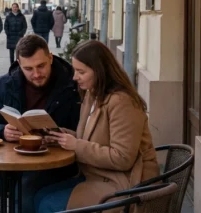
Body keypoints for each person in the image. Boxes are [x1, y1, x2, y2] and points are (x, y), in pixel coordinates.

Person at [0, 35, 80, 213]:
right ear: (19, 64)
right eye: (28, 69)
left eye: (41, 66)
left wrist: (58, 136)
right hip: (5, 160)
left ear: (50, 58)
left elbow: (82, 130)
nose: (36, 74)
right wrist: (3, 131)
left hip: (47, 166)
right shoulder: (5, 84)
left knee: (22, 202)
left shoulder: (71, 86)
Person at [35, 40, 159, 212]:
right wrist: (58, 136)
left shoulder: (122, 102)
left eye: (81, 72)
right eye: (75, 71)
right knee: (39, 195)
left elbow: (123, 158)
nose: (74, 77)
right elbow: (87, 137)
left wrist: (75, 145)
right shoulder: (92, 94)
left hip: (127, 184)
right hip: (98, 177)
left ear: (100, 71)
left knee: (47, 204)